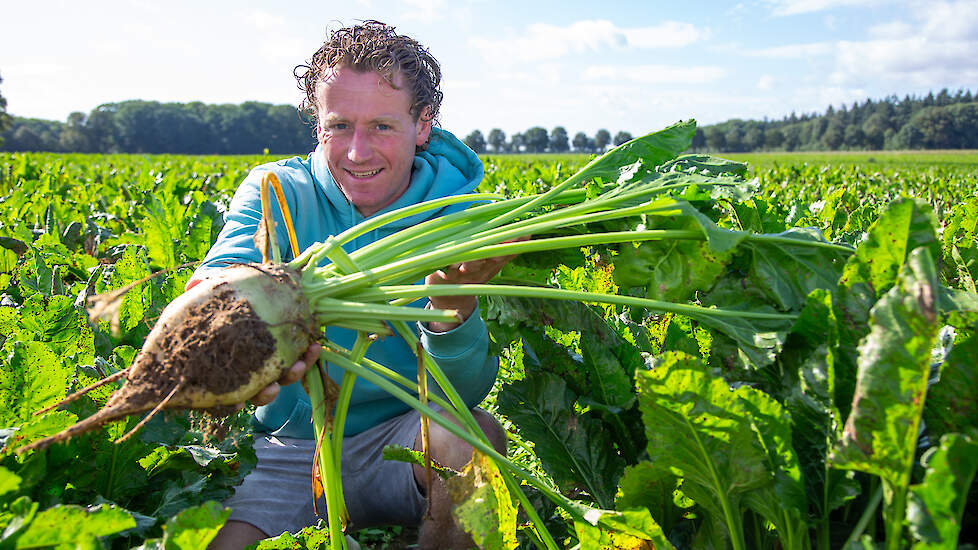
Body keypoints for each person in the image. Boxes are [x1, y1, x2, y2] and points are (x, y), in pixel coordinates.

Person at [188, 21, 510, 550]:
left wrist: (450, 311)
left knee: (472, 439)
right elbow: (223, 273)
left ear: (422, 124)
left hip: (400, 443)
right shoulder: (276, 190)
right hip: (287, 449)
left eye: (382, 126)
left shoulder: (462, 219)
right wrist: (217, 316)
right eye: (339, 126)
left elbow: (465, 394)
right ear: (318, 124)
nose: (357, 152)